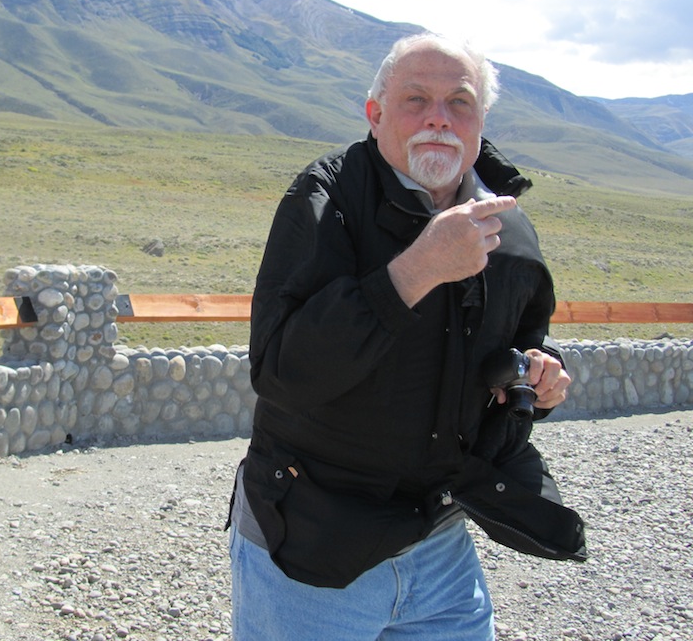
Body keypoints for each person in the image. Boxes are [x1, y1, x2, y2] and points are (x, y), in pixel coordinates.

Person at [228, 33, 587, 640]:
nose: (438, 120)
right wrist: (416, 270)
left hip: (440, 538)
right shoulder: (327, 200)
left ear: (482, 120)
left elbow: (524, 341)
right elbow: (283, 371)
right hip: (313, 543)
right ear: (375, 114)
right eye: (415, 99)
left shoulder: (508, 225)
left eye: (460, 102)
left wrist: (538, 372)